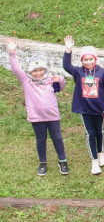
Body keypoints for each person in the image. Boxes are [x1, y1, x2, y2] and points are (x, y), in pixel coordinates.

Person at [6, 37, 68, 176]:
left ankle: (62, 160)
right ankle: (43, 162)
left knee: (57, 138)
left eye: (41, 70)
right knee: (41, 139)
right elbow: (16, 69)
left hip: (52, 116)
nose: (38, 73)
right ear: (30, 72)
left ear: (45, 70)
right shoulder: (27, 81)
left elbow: (61, 87)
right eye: (35, 71)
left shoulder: (50, 79)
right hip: (36, 117)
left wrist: (61, 80)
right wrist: (12, 52)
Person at [62, 35, 104, 175]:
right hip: (85, 109)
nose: (88, 62)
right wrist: (68, 50)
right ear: (82, 60)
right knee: (90, 134)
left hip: (100, 109)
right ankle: (94, 160)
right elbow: (66, 66)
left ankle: (101, 154)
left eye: (91, 59)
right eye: (85, 59)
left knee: (100, 132)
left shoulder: (102, 73)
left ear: (95, 60)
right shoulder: (78, 72)